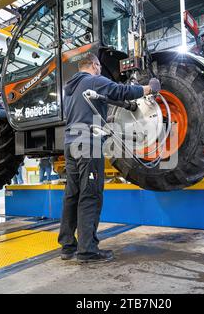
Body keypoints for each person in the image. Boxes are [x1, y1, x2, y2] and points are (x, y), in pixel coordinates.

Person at [58, 53, 160, 263]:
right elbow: (120, 90)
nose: (100, 71)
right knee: (91, 194)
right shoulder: (93, 80)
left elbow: (106, 98)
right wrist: (148, 89)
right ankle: (87, 250)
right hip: (88, 144)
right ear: (94, 65)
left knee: (72, 195)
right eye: (99, 68)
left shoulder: (70, 90)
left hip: (70, 144)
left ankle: (68, 246)